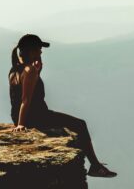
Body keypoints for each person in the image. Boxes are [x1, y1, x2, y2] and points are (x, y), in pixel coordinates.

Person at [8, 34, 117, 178]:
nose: (41, 52)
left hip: (23, 115)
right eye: (39, 49)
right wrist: (21, 125)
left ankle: (96, 166)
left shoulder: (15, 69)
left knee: (73, 125)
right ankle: (95, 166)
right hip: (37, 116)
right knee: (80, 124)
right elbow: (25, 100)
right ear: (32, 51)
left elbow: (20, 97)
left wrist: (38, 72)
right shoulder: (29, 71)